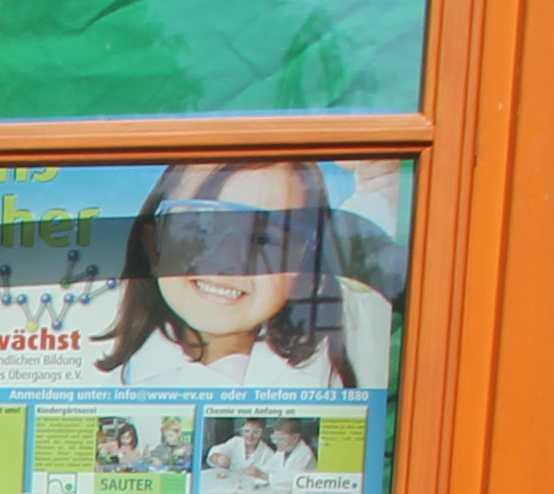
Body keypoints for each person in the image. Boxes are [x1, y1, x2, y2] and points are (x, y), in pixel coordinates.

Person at [100, 161, 382, 390]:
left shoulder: (348, 351)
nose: (227, 261)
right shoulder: (111, 382)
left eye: (264, 239)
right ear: (153, 246)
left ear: (306, 273)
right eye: (202, 226)